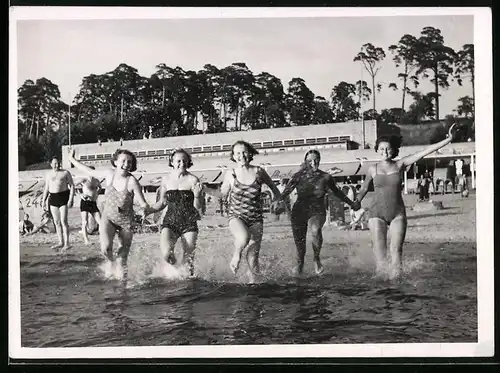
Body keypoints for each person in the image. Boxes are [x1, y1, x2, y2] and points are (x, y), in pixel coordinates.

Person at [354, 124, 457, 279]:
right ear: (376, 150)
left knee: (396, 251)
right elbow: (363, 190)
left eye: (388, 149)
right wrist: (355, 203)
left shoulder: (400, 164)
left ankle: (397, 285)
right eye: (381, 149)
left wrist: (448, 139)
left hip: (397, 214)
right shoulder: (372, 169)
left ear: (394, 150)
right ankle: (381, 289)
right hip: (376, 214)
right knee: (380, 254)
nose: (385, 152)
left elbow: (424, 152)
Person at [68, 148, 155, 281]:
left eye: (130, 162)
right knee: (105, 249)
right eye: (123, 161)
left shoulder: (132, 181)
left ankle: (123, 285)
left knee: (122, 258)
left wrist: (144, 210)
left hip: (126, 222)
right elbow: (90, 171)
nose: (126, 164)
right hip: (108, 219)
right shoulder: (109, 174)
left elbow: (143, 203)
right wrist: (72, 160)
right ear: (115, 162)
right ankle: (110, 263)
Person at [278, 150, 359, 275]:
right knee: (300, 245)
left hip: (317, 211)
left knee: (315, 230)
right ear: (306, 162)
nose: (313, 163)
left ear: (320, 160)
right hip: (299, 211)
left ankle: (316, 258)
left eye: (316, 160)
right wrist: (278, 201)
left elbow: (337, 193)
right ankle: (300, 264)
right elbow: (286, 192)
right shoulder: (298, 176)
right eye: (310, 161)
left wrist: (351, 203)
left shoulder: (326, 177)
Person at [216, 141, 281, 281]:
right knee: (244, 237)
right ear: (233, 156)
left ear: (250, 153)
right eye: (238, 153)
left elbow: (274, 188)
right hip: (236, 216)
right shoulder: (230, 174)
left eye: (244, 152)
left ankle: (254, 285)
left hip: (256, 218)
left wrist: (277, 201)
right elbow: (222, 194)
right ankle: (236, 256)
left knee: (253, 259)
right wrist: (204, 190)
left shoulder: (259, 171)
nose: (242, 155)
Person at [147, 149, 203, 277]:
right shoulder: (166, 180)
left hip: (189, 222)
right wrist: (148, 210)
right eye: (178, 161)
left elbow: (198, 208)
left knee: (188, 259)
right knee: (167, 254)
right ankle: (175, 273)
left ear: (188, 162)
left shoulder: (193, 180)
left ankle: (187, 283)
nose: (181, 163)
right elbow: (162, 203)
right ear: (172, 162)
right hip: (170, 222)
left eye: (184, 161)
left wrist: (197, 196)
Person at [41, 156, 75, 252]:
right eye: (55, 163)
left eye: (58, 163)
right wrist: (43, 200)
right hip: (53, 199)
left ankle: (67, 243)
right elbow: (46, 188)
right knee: (56, 222)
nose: (57, 165)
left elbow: (72, 186)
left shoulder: (65, 173)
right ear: (51, 164)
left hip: (63, 197)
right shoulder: (48, 174)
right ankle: (61, 242)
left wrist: (71, 199)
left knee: (63, 221)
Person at [77, 166, 102, 245]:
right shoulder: (84, 180)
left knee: (100, 222)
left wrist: (96, 194)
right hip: (85, 202)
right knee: (85, 221)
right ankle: (86, 240)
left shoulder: (96, 181)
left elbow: (100, 188)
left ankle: (102, 239)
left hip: (93, 203)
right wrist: (80, 194)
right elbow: (72, 186)